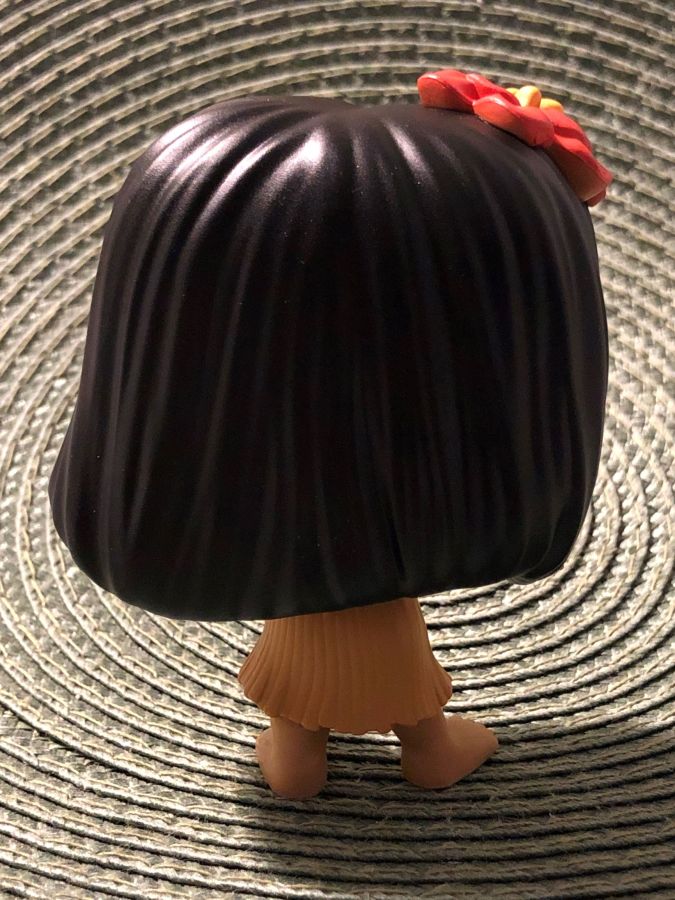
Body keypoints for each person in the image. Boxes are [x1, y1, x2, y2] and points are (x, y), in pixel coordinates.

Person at [48, 67, 612, 800]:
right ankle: (429, 754)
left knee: (294, 704)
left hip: (297, 620)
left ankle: (297, 766)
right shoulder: (446, 460)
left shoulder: (242, 480)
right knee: (408, 699)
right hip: (385, 620)